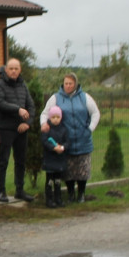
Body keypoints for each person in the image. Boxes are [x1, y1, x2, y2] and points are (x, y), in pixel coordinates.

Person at [40, 73, 100, 203]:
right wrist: (44, 124)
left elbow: (95, 113)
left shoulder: (85, 98)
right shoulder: (56, 98)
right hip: (65, 141)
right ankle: (71, 194)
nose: (68, 86)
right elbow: (45, 113)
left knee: (83, 170)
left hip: (83, 139)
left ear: (76, 84)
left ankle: (81, 194)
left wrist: (90, 129)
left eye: (70, 83)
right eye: (66, 83)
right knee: (68, 171)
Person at [0, 58, 36, 203]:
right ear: (6, 70)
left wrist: (27, 123)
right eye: (11, 68)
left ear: (20, 70)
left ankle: (19, 190)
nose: (14, 71)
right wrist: (18, 110)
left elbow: (31, 106)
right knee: (3, 160)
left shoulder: (23, 85)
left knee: (21, 160)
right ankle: (1, 191)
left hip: (21, 129)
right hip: (5, 128)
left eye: (16, 68)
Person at [41, 106, 68, 208]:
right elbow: (45, 141)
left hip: (60, 159)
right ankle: (49, 199)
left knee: (58, 180)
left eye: (58, 117)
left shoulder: (64, 129)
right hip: (50, 159)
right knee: (50, 181)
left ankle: (58, 198)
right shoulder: (47, 129)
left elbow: (67, 142)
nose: (56, 119)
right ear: (50, 118)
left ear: (61, 118)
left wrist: (62, 147)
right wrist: (53, 148)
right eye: (53, 117)